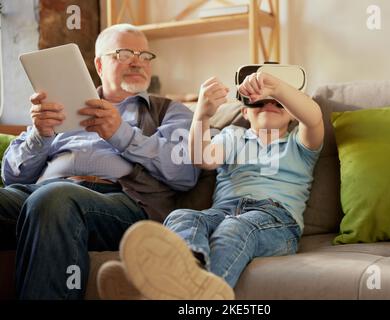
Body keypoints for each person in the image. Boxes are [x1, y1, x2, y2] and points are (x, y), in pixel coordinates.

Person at [0, 23, 200, 299]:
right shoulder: (61, 105)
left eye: (145, 56)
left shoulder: (169, 110)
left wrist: (121, 134)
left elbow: (184, 172)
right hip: (42, 192)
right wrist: (40, 134)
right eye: (124, 53)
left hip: (120, 202)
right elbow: (12, 176)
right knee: (43, 197)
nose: (137, 62)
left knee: (55, 199)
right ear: (99, 64)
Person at [97, 70, 325, 300]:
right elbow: (202, 158)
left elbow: (313, 117)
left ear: (293, 114)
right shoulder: (233, 135)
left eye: (278, 103)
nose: (269, 104)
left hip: (276, 221)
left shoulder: (300, 143)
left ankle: (186, 296)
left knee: (234, 228)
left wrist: (277, 88)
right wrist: (202, 115)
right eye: (260, 101)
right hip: (221, 213)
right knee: (181, 217)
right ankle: (179, 283)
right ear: (245, 111)